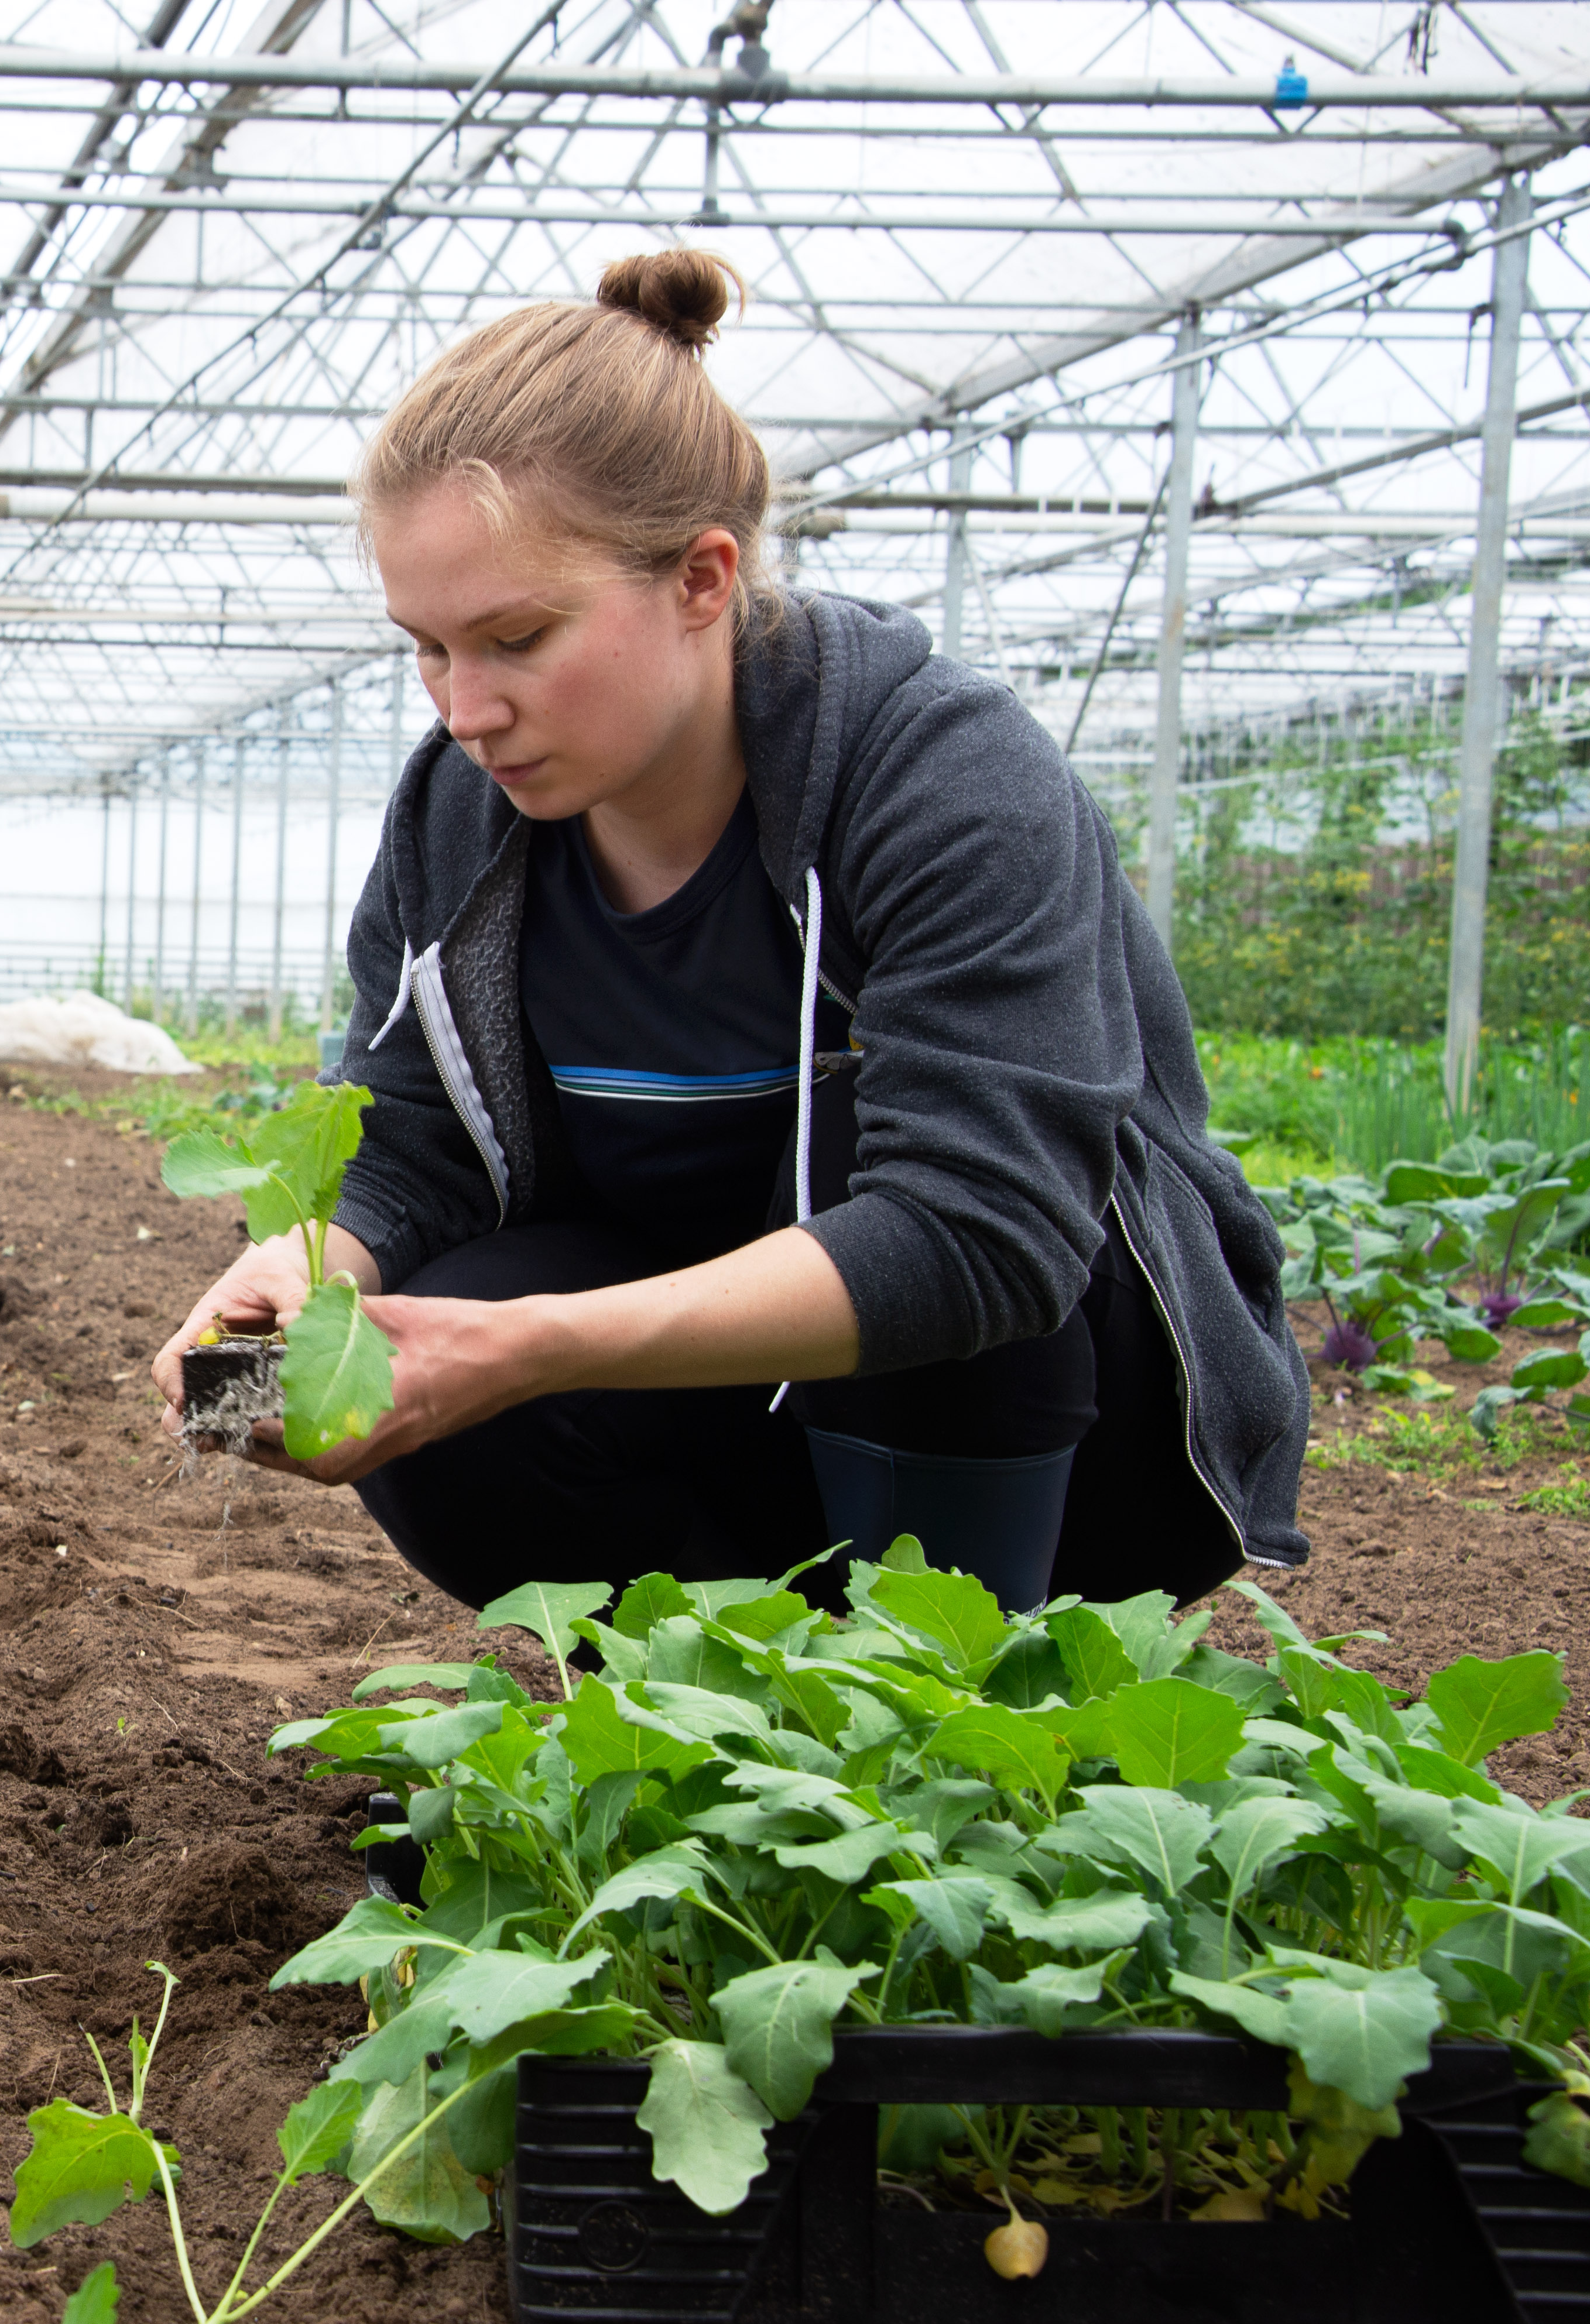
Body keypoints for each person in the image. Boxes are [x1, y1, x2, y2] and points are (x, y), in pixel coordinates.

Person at [154, 252, 1307, 1614]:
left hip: (1060, 1450)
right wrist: (298, 1282)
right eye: (426, 646)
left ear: (703, 577)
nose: (464, 708)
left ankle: (945, 1716)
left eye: (516, 637)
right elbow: (412, 1139)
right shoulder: (454, 812)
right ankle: (698, 1739)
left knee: (903, 1255)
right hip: (702, 1402)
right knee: (428, 1346)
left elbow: (981, 1230)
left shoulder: (938, 774)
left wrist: (526, 1345)